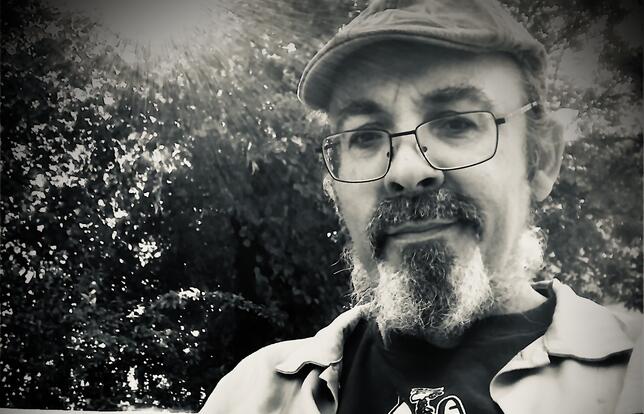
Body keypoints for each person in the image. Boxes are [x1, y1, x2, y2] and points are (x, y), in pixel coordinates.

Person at [200, 0, 642, 413]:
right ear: (333, 185)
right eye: (365, 136)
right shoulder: (250, 395)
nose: (407, 171)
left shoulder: (631, 381)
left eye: (456, 123)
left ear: (541, 159)